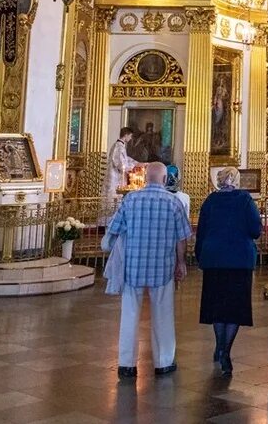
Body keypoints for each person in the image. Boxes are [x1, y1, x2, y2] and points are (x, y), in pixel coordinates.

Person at [106, 161, 191, 380]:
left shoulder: (131, 200)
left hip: (133, 266)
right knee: (163, 314)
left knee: (129, 315)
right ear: (165, 180)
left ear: (145, 178)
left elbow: (114, 229)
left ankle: (126, 364)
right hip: (162, 267)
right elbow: (182, 238)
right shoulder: (173, 203)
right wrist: (181, 262)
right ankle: (163, 362)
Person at [195, 166, 262, 376]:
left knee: (217, 305)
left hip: (214, 258)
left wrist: (200, 256)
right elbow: (256, 230)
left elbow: (201, 231)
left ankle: (219, 345)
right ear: (237, 180)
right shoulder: (244, 200)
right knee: (234, 307)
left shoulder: (210, 201)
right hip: (239, 260)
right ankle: (226, 352)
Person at [106, 127, 133, 198]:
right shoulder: (119, 146)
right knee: (113, 200)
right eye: (130, 136)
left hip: (115, 175)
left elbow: (125, 159)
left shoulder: (119, 145)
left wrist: (136, 163)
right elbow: (121, 164)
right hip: (114, 177)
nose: (130, 138)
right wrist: (132, 168)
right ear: (126, 135)